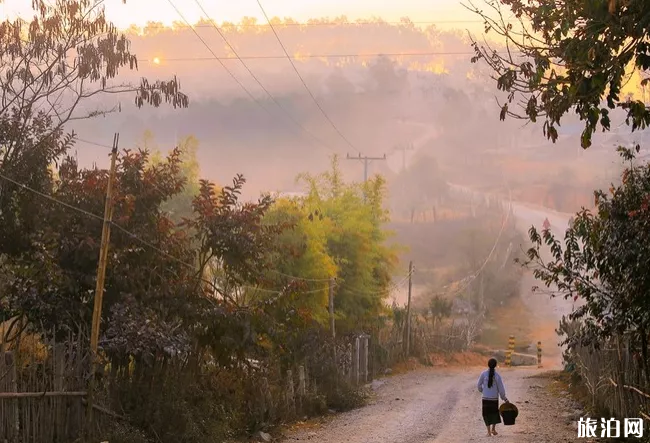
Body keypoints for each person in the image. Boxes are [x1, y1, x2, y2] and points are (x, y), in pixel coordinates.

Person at [477, 358, 508, 436]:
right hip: (494, 399)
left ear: (488, 364)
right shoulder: (497, 376)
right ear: (495, 365)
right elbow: (501, 389)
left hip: (485, 398)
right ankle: (493, 429)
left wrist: (483, 391)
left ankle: (488, 432)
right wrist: (504, 399)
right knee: (494, 414)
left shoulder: (483, 374)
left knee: (486, 414)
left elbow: (478, 385)